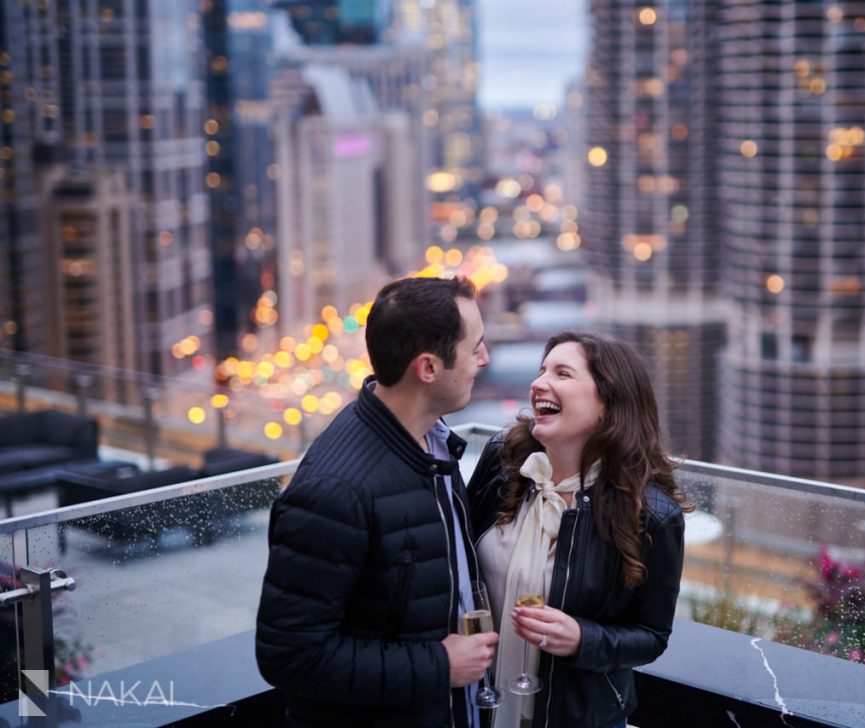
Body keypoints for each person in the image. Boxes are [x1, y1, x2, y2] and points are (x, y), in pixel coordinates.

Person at [256, 276, 499, 727]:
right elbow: (291, 657)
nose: (484, 359)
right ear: (427, 368)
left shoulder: (431, 444)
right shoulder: (335, 493)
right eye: (475, 347)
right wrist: (440, 667)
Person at [467, 331, 689, 728]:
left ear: (607, 404)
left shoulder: (652, 515)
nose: (538, 384)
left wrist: (583, 641)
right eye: (541, 371)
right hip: (477, 705)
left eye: (563, 373)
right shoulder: (502, 462)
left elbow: (652, 635)